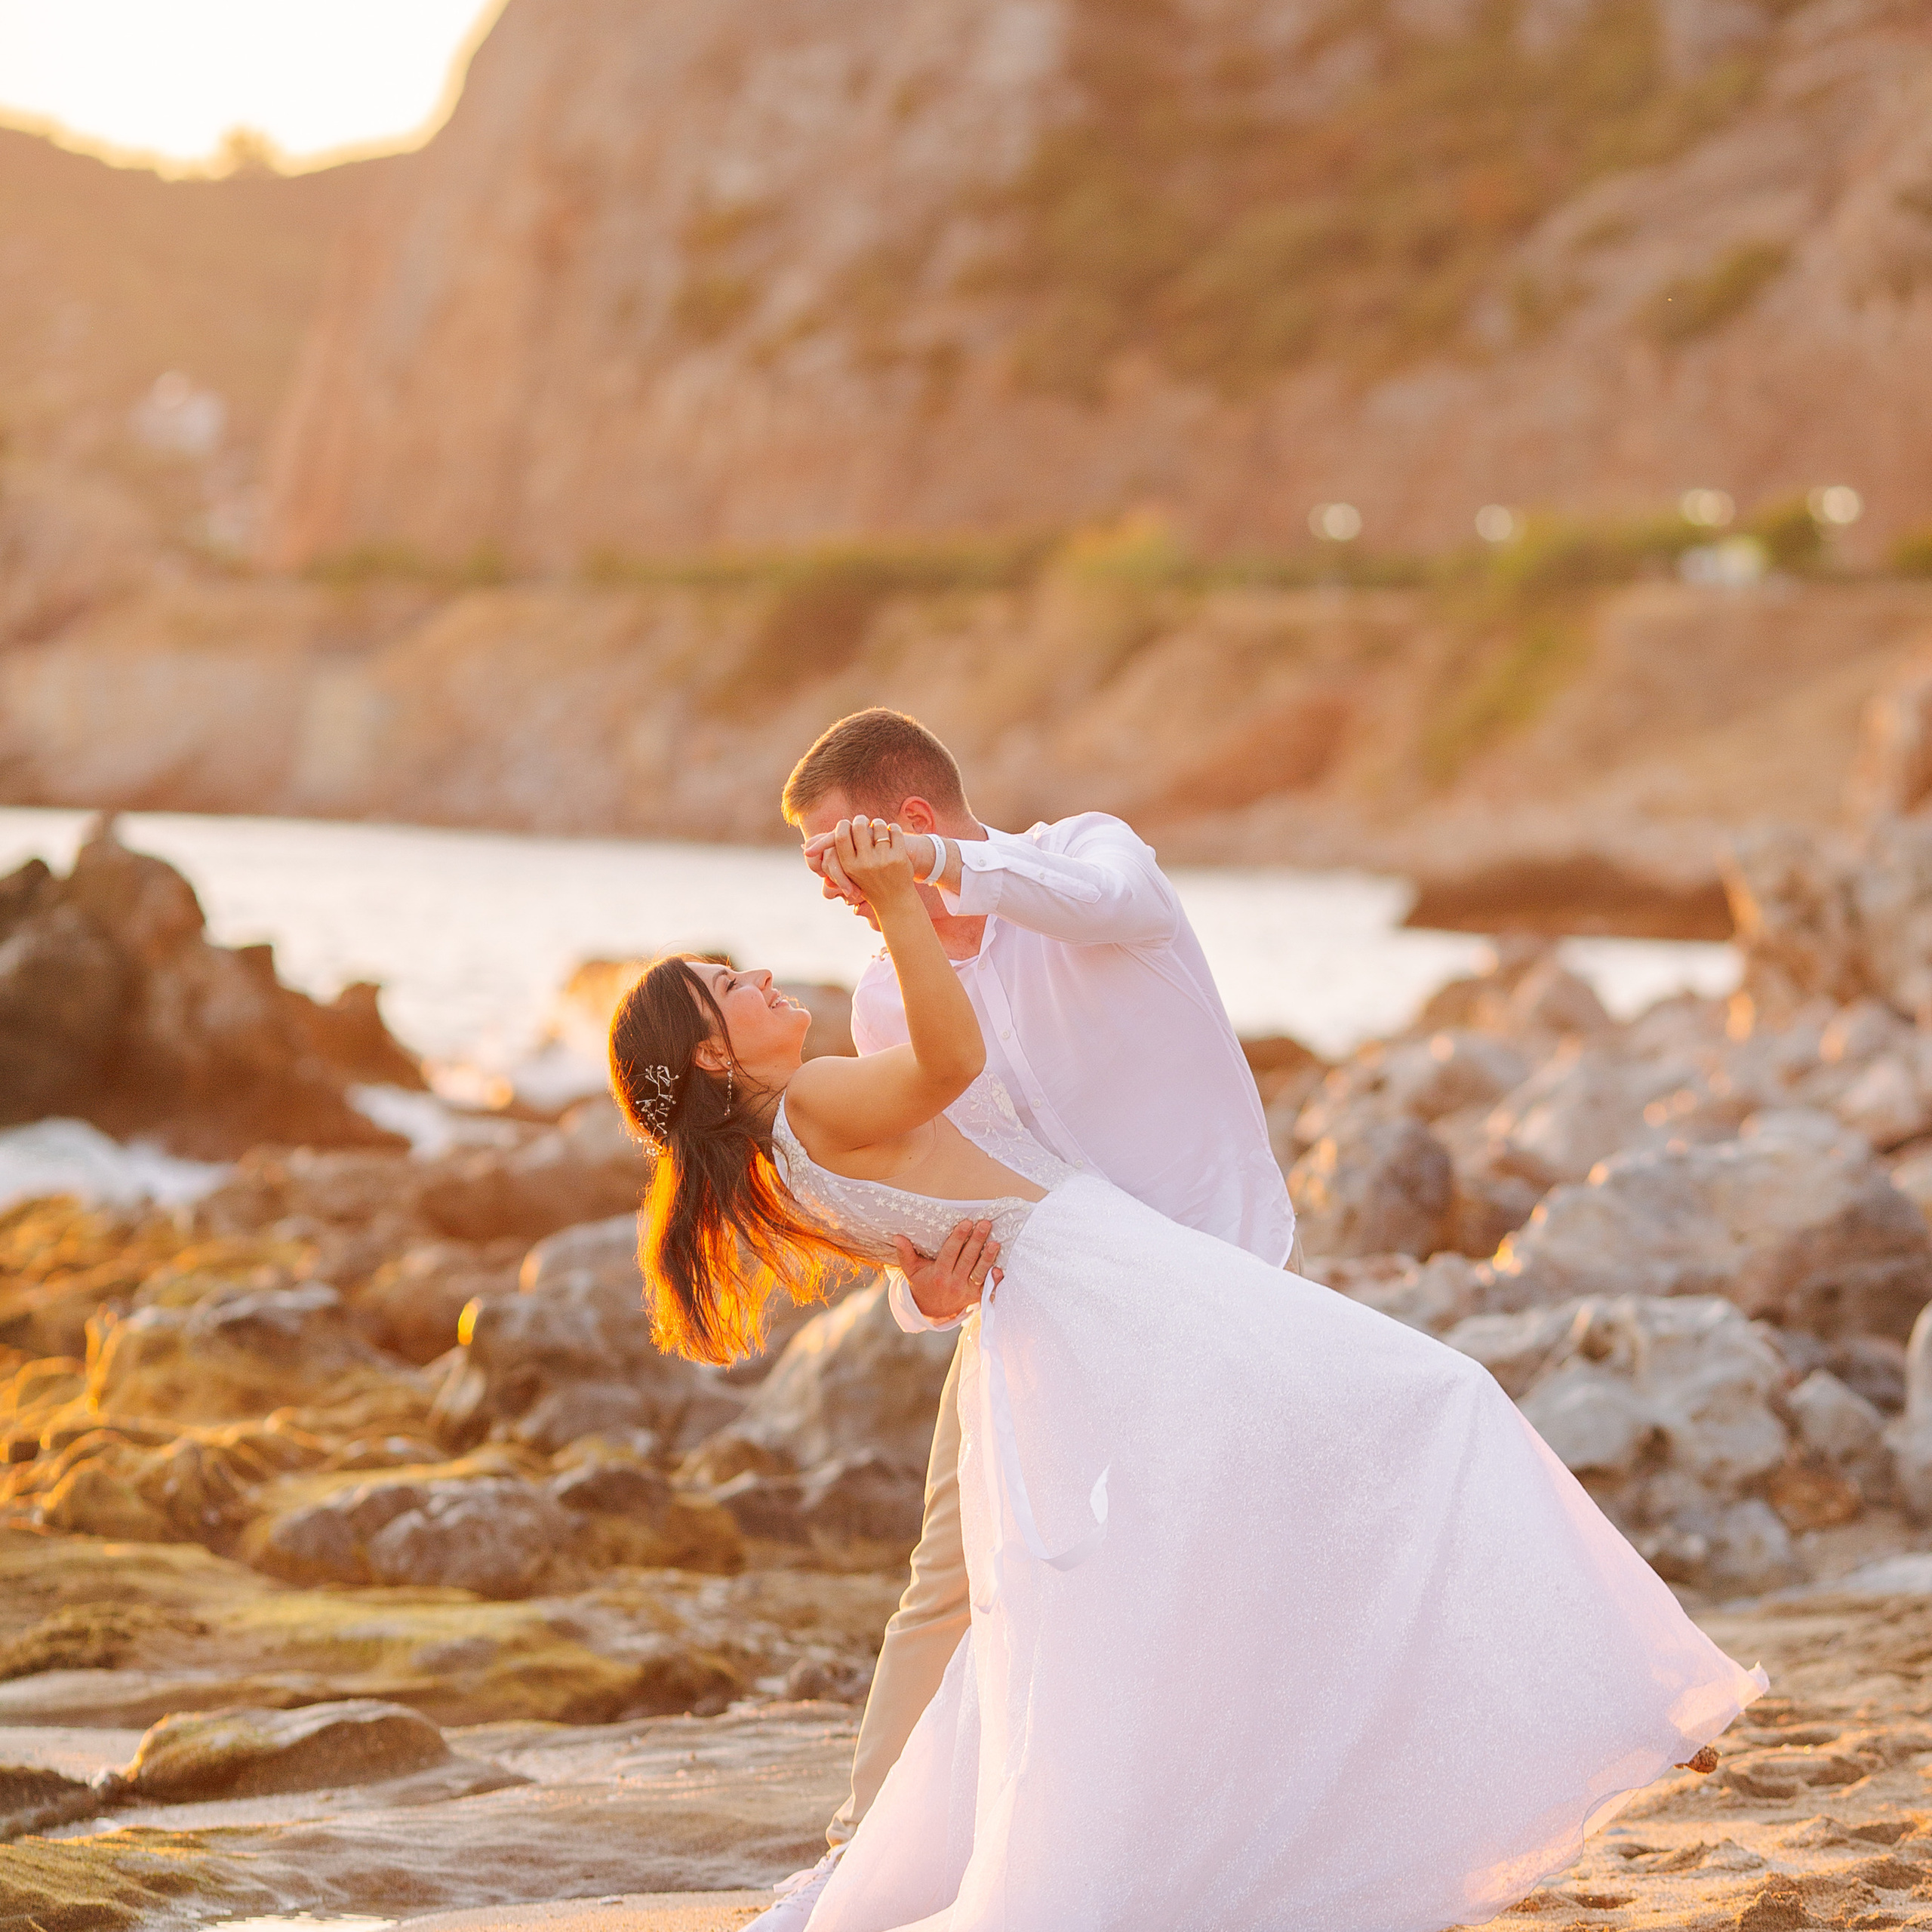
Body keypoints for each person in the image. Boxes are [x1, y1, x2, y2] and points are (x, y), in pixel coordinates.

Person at [607, 816, 1764, 1932]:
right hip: (1109, 1283)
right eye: (731, 985)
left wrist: (935, 1283)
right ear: (711, 1054)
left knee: (1211, 1548)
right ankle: (1624, 1694)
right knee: (1432, 1406)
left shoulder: (781, 1160)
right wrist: (902, 902)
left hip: (1078, 1299)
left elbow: (928, 1231)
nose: (763, 977)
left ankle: (1589, 1701)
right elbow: (953, 1060)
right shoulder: (812, 1100)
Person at [778, 709, 1298, 1922]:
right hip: (1035, 1319)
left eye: (836, 853)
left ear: (909, 825)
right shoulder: (887, 995)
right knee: (947, 1584)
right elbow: (937, 1182)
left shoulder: (1087, 860)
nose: (830, 889)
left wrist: (934, 871)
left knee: (1212, 1577)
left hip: (1215, 1286)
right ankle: (866, 1854)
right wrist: (922, 1293)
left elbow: (1108, 900)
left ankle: (1211, 1846)